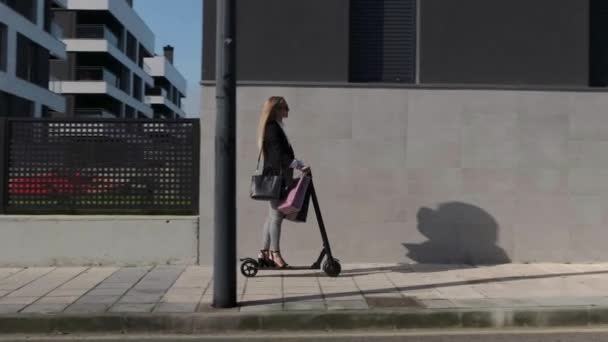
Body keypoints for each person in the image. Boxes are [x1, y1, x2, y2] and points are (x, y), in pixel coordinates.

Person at [256, 96, 310, 268]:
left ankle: (264, 253)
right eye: (286, 107)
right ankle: (275, 254)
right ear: (277, 109)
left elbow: (281, 154)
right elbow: (278, 155)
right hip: (276, 177)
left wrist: (298, 163)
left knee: (272, 216)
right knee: (277, 216)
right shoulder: (272, 128)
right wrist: (298, 164)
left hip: (279, 176)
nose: (288, 111)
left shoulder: (275, 127)